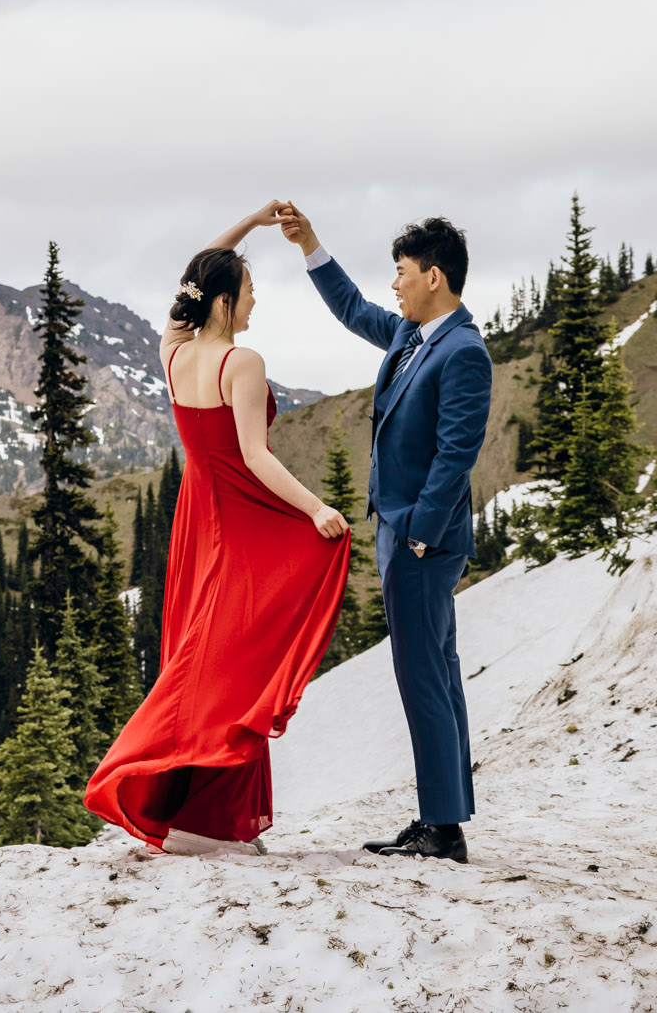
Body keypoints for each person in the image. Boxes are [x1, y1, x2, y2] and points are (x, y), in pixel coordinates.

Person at [82, 201, 352, 856]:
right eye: (251, 292)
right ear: (226, 301)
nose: (257, 303)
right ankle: (152, 781)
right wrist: (316, 509)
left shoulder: (173, 354)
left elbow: (190, 280)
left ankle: (203, 816)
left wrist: (252, 225)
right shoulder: (243, 363)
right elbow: (256, 457)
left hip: (195, 519)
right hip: (238, 518)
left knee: (203, 656)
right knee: (232, 664)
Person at [277, 204, 491, 863]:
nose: (393, 286)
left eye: (400, 273)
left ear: (433, 276)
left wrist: (421, 532)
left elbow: (458, 454)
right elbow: (350, 309)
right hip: (401, 530)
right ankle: (445, 815)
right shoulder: (410, 333)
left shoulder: (463, 352)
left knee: (423, 675)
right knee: (439, 671)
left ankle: (441, 829)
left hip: (421, 538)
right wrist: (310, 245)